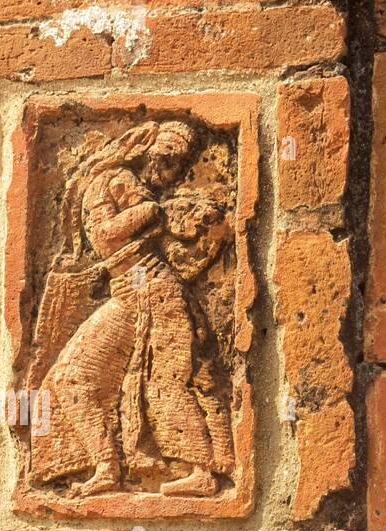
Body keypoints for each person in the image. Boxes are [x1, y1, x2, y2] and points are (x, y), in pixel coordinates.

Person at [28, 119, 234, 498]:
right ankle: (106, 466)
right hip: (132, 292)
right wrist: (153, 212)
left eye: (179, 164)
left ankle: (203, 471)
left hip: (153, 291)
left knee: (168, 379)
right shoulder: (116, 180)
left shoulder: (136, 189)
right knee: (71, 377)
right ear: (145, 148)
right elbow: (107, 233)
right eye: (166, 158)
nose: (170, 171)